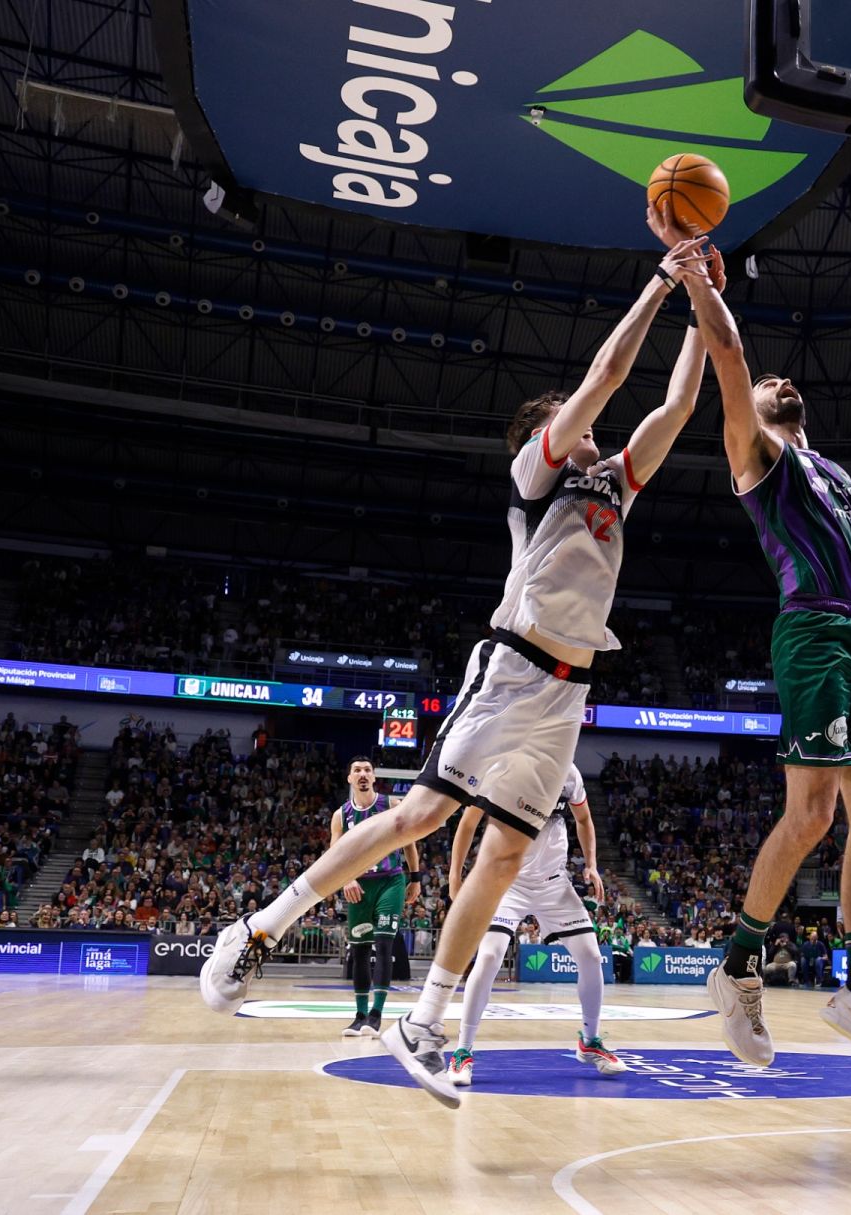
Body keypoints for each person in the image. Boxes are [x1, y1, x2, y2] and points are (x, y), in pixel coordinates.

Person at [198, 221, 714, 1110]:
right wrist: (663, 285)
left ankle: (423, 1022)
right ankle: (259, 926)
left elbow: (672, 411)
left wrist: (707, 301)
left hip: (568, 694)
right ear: (545, 431)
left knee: (509, 851)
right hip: (512, 667)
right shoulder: (534, 473)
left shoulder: (613, 485)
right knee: (419, 816)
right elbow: (608, 380)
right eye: (567, 417)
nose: (582, 423)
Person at [680, 228, 851, 1074]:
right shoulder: (757, 458)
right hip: (811, 632)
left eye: (783, 380)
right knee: (814, 815)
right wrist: (699, 283)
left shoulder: (845, 481)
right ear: (753, 412)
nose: (781, 380)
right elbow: (728, 352)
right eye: (771, 382)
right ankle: (737, 967)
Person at [446, 763, 625, 1086]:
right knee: (487, 958)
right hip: (506, 881)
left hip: (554, 884)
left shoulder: (569, 773)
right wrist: (454, 877)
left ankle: (590, 1040)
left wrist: (592, 865)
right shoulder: (502, 767)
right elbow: (468, 822)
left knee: (591, 956)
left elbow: (584, 819)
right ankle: (462, 1052)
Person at [328, 757, 421, 1038]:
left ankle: (376, 1015)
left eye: (367, 770)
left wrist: (415, 878)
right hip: (359, 886)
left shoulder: (391, 805)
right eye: (357, 770)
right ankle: (359, 1015)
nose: (363, 774)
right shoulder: (340, 816)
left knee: (383, 944)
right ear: (350, 779)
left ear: (373, 777)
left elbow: (409, 842)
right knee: (359, 951)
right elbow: (335, 855)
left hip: (390, 881)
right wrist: (347, 879)